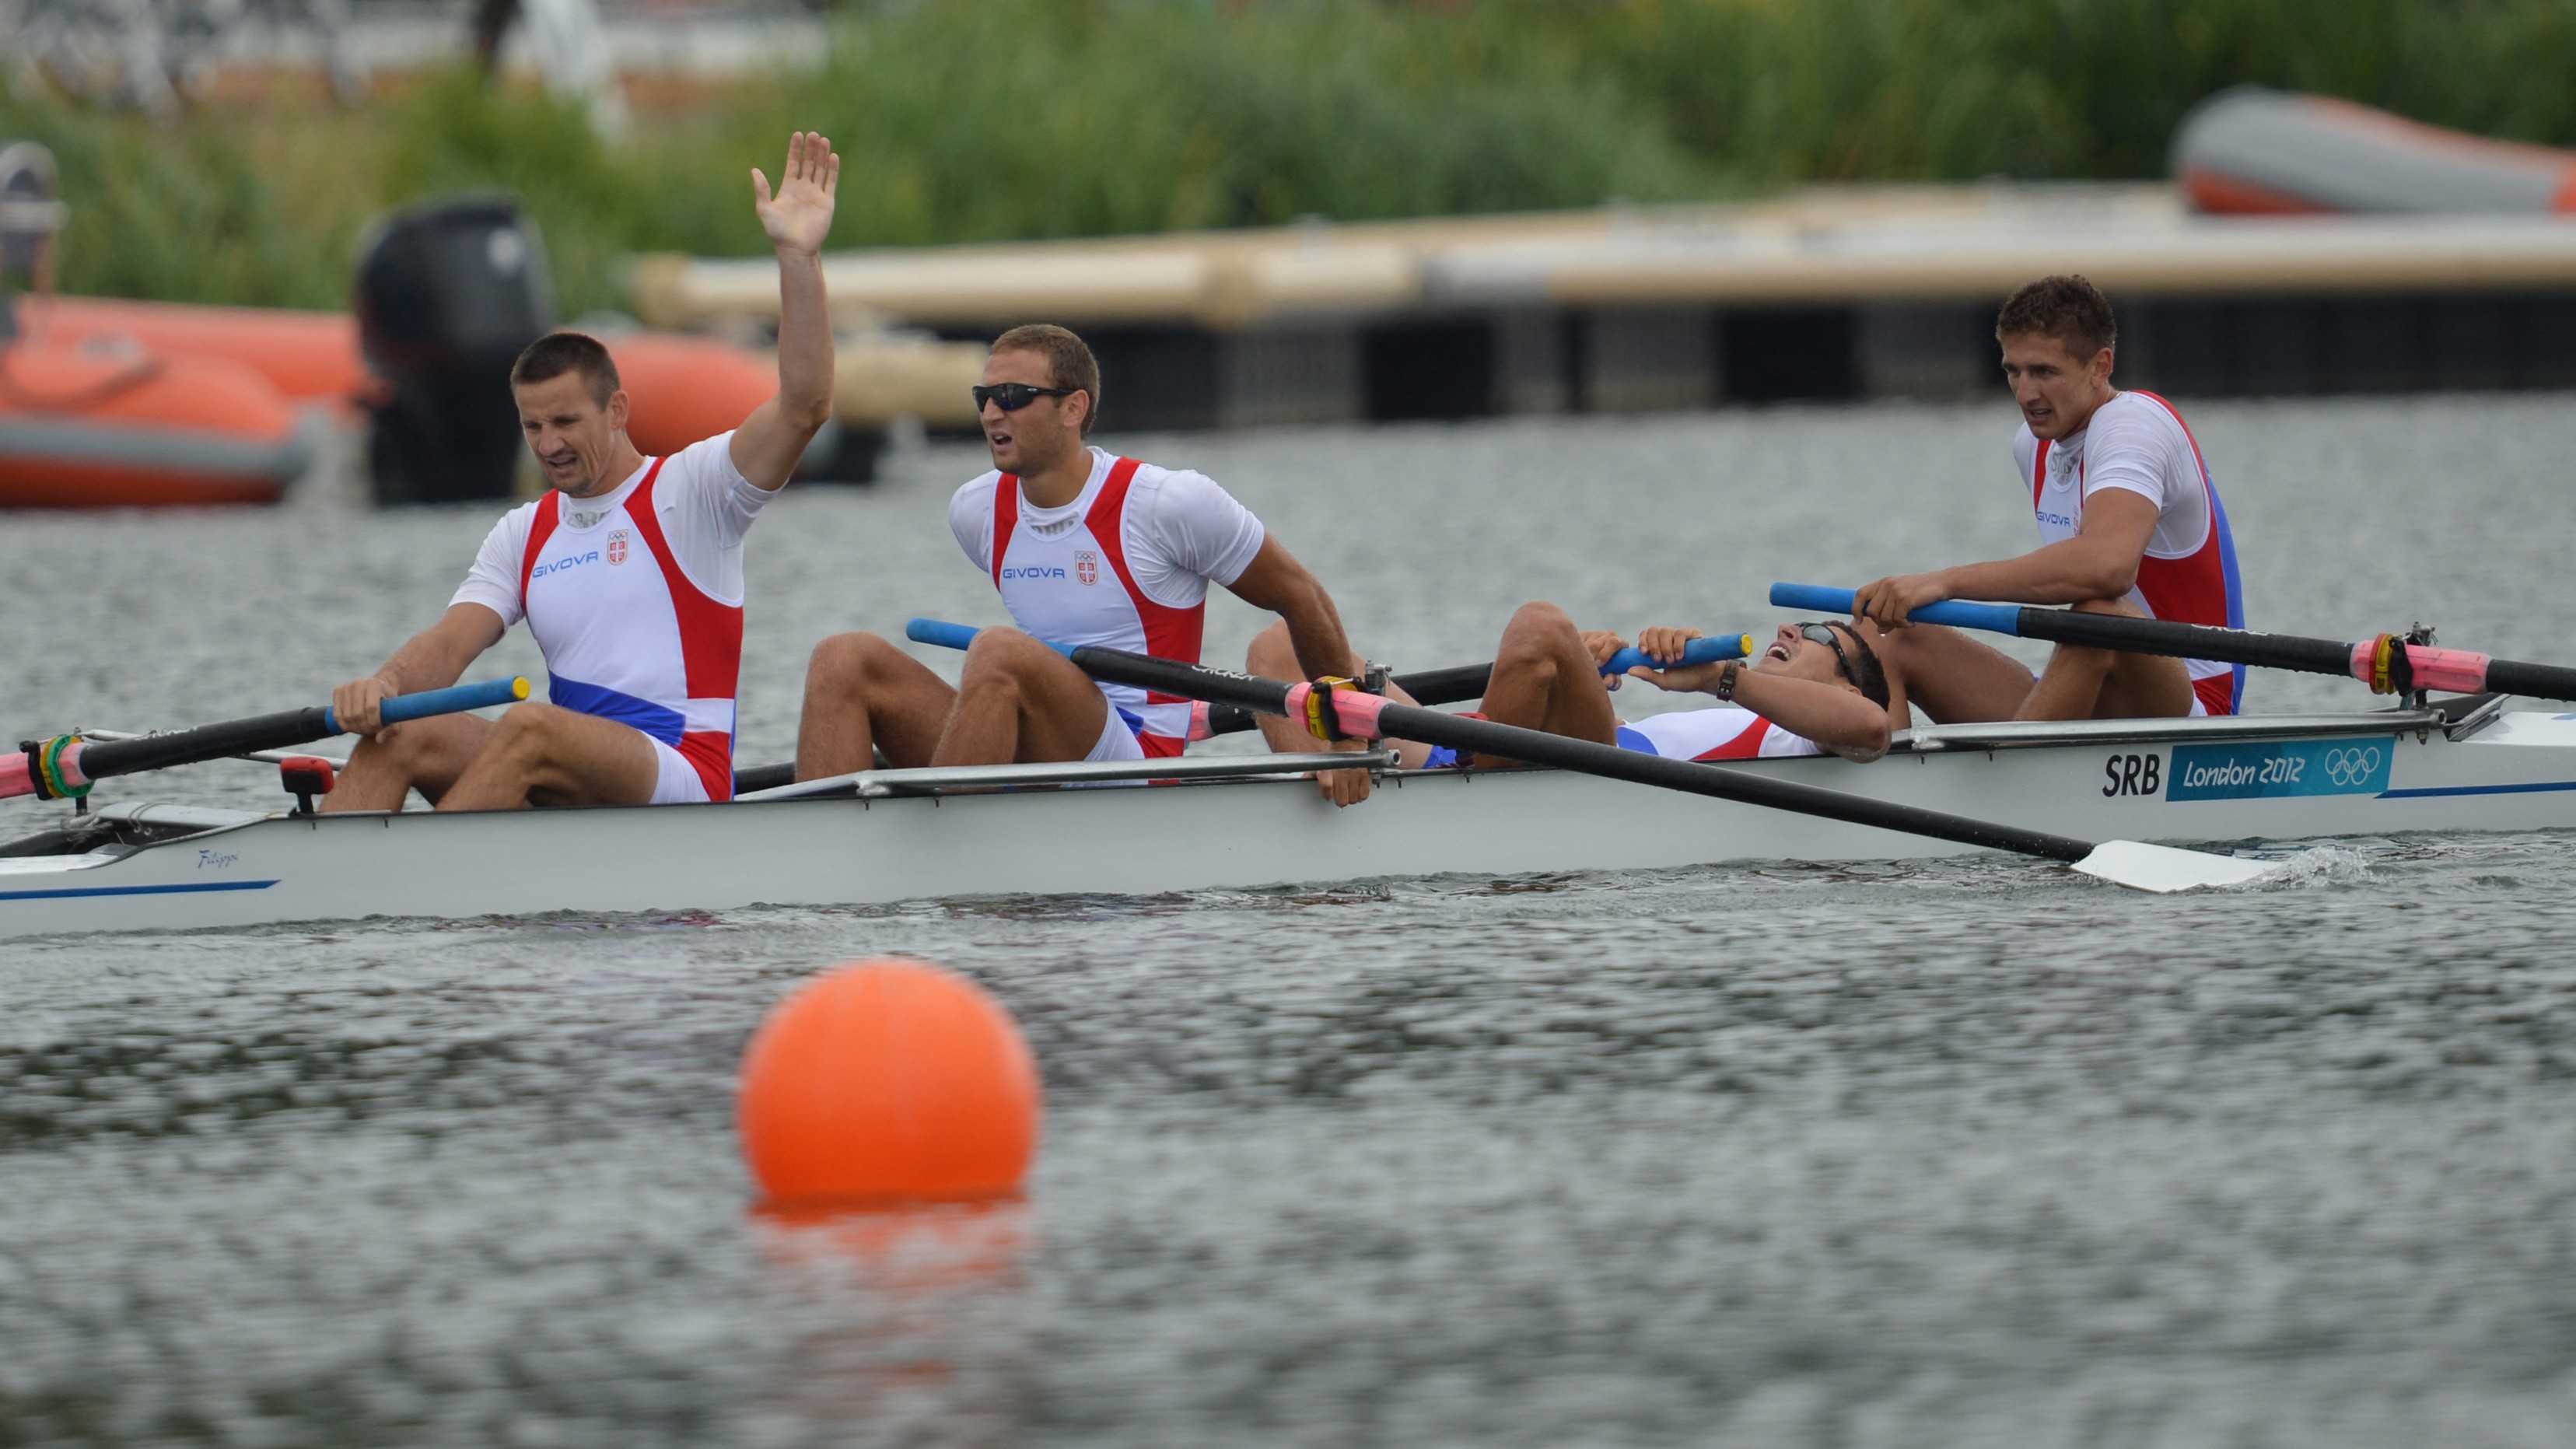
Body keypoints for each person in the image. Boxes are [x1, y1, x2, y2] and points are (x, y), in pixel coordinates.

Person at [320, 131, 841, 811]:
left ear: (617, 409)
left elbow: (804, 406)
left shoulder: (693, 491)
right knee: (404, 730)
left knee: (532, 724)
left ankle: (432, 892)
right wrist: (384, 687)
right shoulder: (524, 533)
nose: (550, 445)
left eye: (566, 423)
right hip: (569, 777)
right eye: (533, 427)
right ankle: (324, 897)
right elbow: (448, 646)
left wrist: (798, 258)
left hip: (678, 773)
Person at [794, 324, 1382, 800]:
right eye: (984, 398)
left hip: (1135, 760)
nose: (993, 414)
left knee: (999, 650)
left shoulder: (1167, 503)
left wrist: (1349, 739)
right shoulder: (974, 511)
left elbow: (1301, 596)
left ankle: (944, 848)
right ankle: (820, 858)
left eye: (1014, 397)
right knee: (843, 658)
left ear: (1074, 407)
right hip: (1040, 735)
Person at [1850, 274, 2245, 722]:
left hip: (2191, 701)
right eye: (2013, 371)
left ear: (2100, 366)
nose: (2025, 393)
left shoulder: (2136, 425)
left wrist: (1945, 581)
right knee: (1886, 633)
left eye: (2044, 372)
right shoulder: (2032, 445)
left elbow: (2106, 569)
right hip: (2091, 684)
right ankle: (1887, 768)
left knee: (2100, 614)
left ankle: (2016, 775)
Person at [1246, 602, 1902, 768]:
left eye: (1819, 636)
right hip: (1522, 751)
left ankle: (1407, 785)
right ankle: (1330, 778)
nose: (1790, 629)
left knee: (1541, 628)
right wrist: (1577, 676)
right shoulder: (1782, 706)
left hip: (1600, 773)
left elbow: (1873, 730)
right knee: (1279, 643)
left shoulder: (1813, 736)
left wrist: (1719, 677)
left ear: (1846, 687)